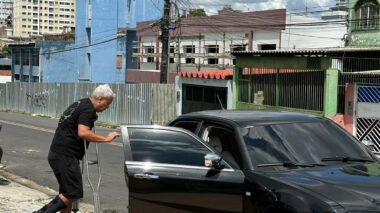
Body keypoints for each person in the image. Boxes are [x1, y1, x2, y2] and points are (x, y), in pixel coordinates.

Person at [34, 84, 120, 213]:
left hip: (57, 153)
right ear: (100, 99)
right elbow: (83, 133)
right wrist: (106, 139)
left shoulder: (80, 103)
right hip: (66, 156)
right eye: (107, 104)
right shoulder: (88, 110)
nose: (107, 108)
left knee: (67, 192)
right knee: (73, 193)